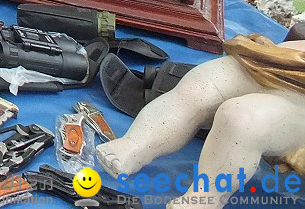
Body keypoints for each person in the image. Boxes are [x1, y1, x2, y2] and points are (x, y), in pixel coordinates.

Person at [97, 34, 305, 208]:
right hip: (280, 61)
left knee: (242, 119)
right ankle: (135, 144)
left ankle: (206, 197)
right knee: (200, 85)